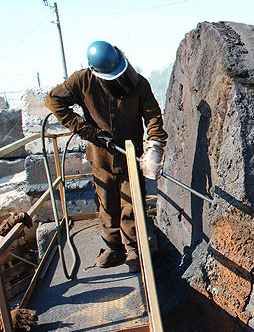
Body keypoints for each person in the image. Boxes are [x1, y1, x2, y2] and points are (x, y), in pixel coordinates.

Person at [45, 41, 167, 272]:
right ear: (95, 71)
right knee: (107, 204)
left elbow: (153, 116)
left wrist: (155, 145)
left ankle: (134, 249)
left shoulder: (139, 84)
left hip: (130, 157)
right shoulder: (82, 80)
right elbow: (54, 101)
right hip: (101, 157)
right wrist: (88, 131)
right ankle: (114, 248)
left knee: (132, 206)